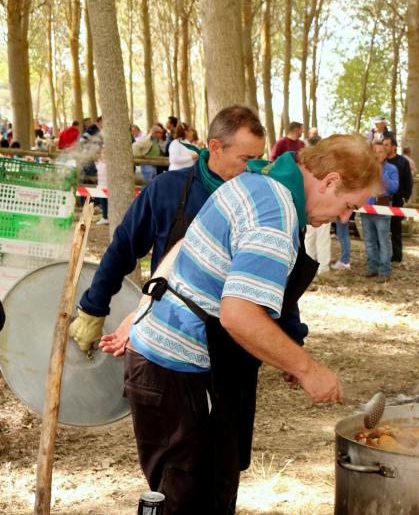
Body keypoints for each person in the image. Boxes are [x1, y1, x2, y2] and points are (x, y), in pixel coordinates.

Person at [111, 134, 380, 513]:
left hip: (181, 368)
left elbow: (187, 245)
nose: (344, 218)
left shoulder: (260, 183)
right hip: (178, 374)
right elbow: (238, 316)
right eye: (348, 205)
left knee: (208, 496)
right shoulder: (276, 213)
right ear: (330, 181)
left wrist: (286, 353)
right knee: (186, 504)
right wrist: (307, 369)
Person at [69, 106, 309, 356]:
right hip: (167, 338)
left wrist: (292, 337)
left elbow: (278, 273)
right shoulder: (168, 189)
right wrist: (93, 309)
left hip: (232, 347)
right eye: (245, 159)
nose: (252, 168)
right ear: (215, 147)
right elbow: (122, 249)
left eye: (259, 158)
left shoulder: (261, 202)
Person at [361, 138, 398, 282]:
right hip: (366, 208)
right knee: (369, 240)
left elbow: (394, 188)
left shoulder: (391, 169)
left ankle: (385, 270)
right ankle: (372, 268)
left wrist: (380, 173)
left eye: (380, 151)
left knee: (383, 240)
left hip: (382, 209)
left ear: (386, 153)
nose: (377, 154)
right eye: (374, 152)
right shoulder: (366, 169)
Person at [302, 131, 331, 274]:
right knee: (310, 235)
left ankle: (323, 267)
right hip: (308, 204)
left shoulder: (328, 164)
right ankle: (308, 265)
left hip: (324, 204)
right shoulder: (304, 164)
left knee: (322, 236)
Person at [384, 136, 413, 263]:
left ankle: (396, 256)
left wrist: (405, 196)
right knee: (383, 229)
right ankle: (383, 255)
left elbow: (408, 181)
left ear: (394, 147)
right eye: (383, 145)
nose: (384, 147)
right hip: (382, 200)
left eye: (387, 145)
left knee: (396, 229)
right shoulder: (382, 161)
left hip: (396, 200)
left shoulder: (402, 162)